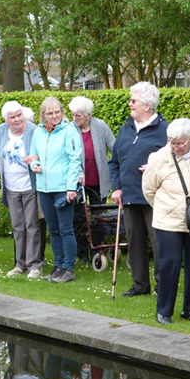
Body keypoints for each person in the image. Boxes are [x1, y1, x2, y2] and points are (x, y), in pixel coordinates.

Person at [142, 118, 190, 324]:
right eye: (172, 143)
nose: (176, 147)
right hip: (168, 221)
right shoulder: (158, 157)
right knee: (169, 264)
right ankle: (164, 310)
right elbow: (148, 189)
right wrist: (167, 208)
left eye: (180, 143)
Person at [109, 82, 169, 297]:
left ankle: (163, 285)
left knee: (159, 241)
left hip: (156, 197)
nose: (129, 104)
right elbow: (114, 161)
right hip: (129, 195)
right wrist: (116, 187)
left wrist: (156, 168)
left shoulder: (165, 130)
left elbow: (175, 163)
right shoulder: (125, 128)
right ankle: (140, 285)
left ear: (147, 104)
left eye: (133, 101)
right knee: (134, 241)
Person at [0, 101, 43, 279]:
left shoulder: (33, 130)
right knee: (17, 227)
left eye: (19, 115)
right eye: (13, 117)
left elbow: (43, 153)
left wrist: (36, 161)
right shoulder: (0, 131)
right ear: (6, 119)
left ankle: (35, 266)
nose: (17, 119)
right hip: (11, 188)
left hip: (30, 187)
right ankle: (20, 264)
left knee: (32, 226)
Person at [27, 97, 82, 283]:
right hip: (44, 188)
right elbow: (33, 154)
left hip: (63, 189)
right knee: (53, 229)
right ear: (44, 115)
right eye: (50, 113)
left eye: (57, 112)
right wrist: (35, 164)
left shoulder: (69, 131)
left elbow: (75, 160)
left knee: (66, 229)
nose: (54, 116)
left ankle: (69, 268)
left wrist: (71, 188)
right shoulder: (38, 132)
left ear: (62, 111)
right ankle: (58, 266)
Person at [68, 96, 115, 262]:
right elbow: (68, 154)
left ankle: (97, 252)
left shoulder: (100, 126)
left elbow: (114, 148)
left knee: (98, 218)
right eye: (73, 114)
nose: (75, 118)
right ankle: (81, 254)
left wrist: (113, 168)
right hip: (77, 183)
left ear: (88, 115)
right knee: (78, 218)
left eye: (78, 115)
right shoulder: (70, 129)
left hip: (98, 181)